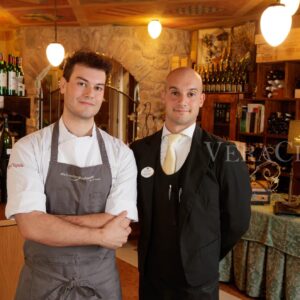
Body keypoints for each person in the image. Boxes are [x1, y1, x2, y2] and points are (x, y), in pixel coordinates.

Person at [5, 50, 138, 300]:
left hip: (101, 285)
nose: (90, 94)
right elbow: (30, 225)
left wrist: (49, 221)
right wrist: (100, 233)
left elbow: (119, 223)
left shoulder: (121, 154)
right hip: (43, 282)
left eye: (98, 87)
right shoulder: (29, 148)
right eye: (81, 83)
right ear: (63, 85)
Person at [131, 67, 251, 300]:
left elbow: (237, 220)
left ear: (202, 99)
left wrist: (204, 252)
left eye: (191, 93)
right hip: (151, 275)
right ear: (164, 96)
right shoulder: (139, 151)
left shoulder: (223, 153)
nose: (182, 101)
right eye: (175, 92)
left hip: (197, 280)